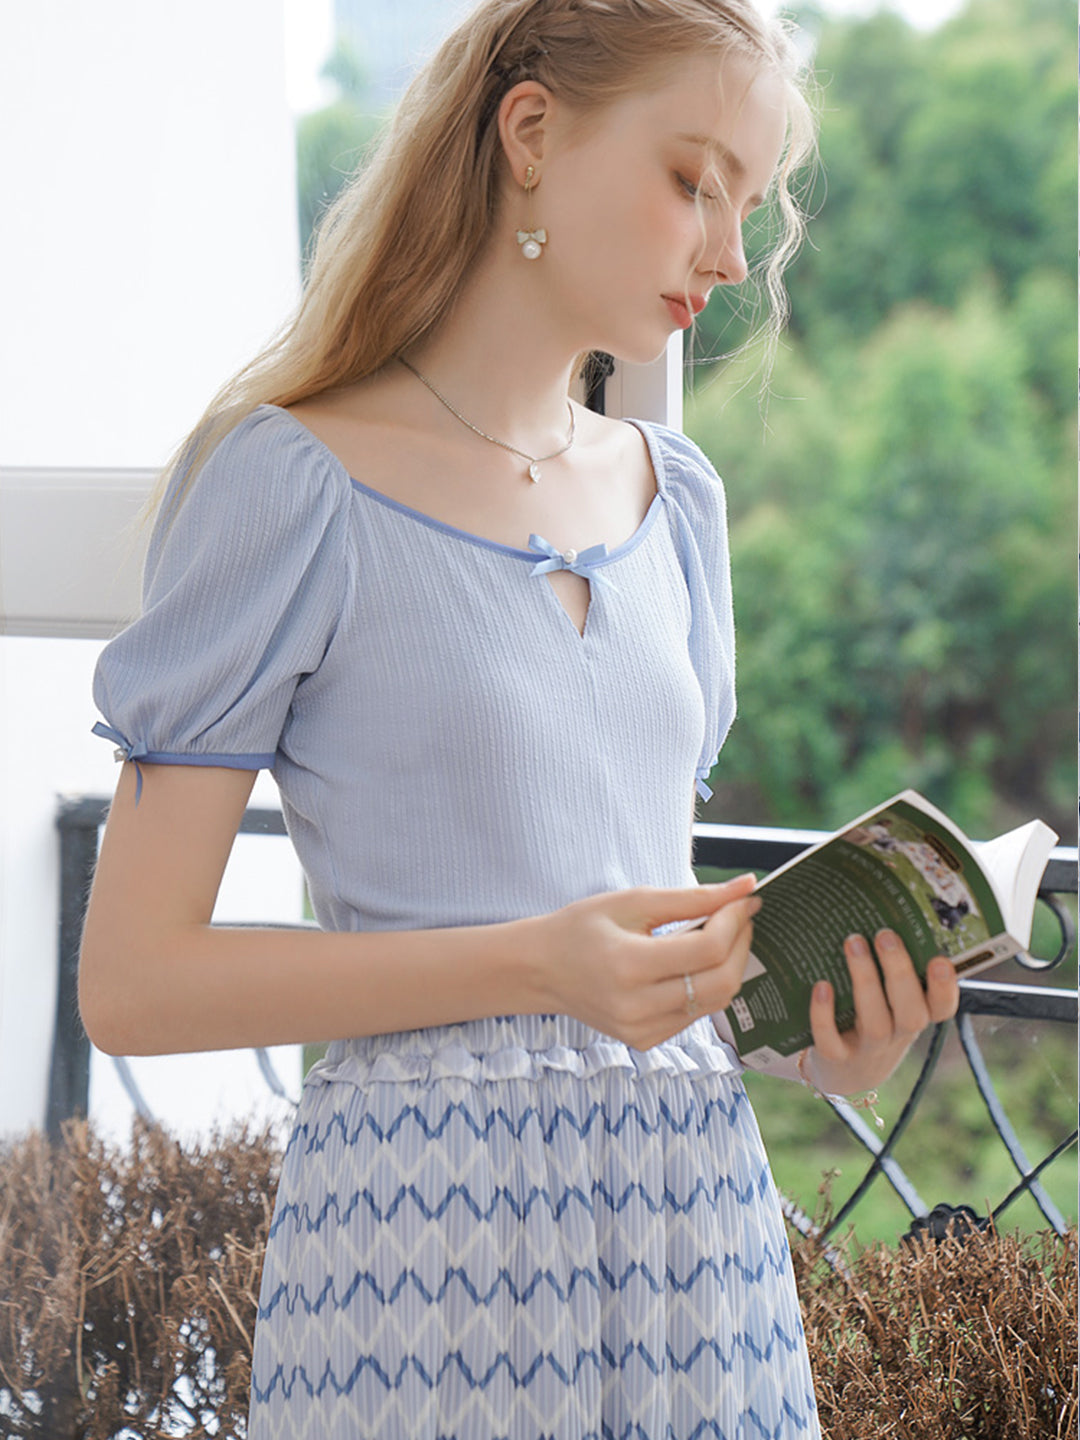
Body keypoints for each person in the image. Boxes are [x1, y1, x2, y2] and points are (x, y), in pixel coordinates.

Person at [79, 2, 961, 1435]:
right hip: (422, 1249)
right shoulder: (292, 486)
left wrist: (817, 1038)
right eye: (696, 182)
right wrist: (536, 964)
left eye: (746, 208)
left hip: (694, 1244)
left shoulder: (676, 503)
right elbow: (134, 981)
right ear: (532, 134)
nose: (730, 258)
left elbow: (642, 943)